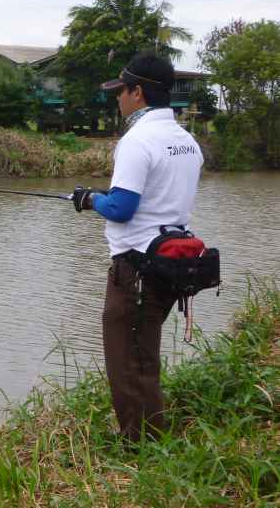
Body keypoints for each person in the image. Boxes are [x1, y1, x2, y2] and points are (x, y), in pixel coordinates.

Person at [71, 50, 203, 443]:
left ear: (138, 93)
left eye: (120, 91)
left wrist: (89, 199)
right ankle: (150, 435)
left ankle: (139, 445)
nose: (117, 98)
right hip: (171, 266)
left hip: (137, 268)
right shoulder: (186, 141)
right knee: (143, 353)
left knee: (127, 359)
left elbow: (122, 208)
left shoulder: (137, 141)